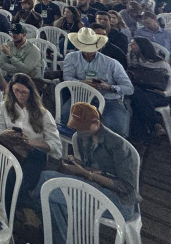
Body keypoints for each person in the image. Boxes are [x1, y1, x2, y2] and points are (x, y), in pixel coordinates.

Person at [33, 103, 139, 244]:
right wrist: (76, 164)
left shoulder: (118, 146)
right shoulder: (81, 137)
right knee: (45, 178)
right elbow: (89, 167)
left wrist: (86, 173)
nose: (80, 131)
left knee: (50, 192)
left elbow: (126, 187)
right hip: (93, 187)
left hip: (119, 201)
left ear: (96, 123)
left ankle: (55, 235)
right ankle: (60, 237)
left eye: (84, 127)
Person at [0, 74, 61, 206]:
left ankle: (13, 207)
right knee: (11, 169)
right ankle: (16, 207)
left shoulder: (43, 113)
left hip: (34, 152)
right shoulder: (4, 107)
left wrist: (29, 142)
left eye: (24, 92)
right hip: (12, 149)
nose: (20, 95)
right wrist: (7, 133)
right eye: (16, 91)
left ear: (31, 93)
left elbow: (56, 145)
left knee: (20, 171)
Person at [61, 27, 134, 136]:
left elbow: (129, 88)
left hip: (108, 100)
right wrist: (82, 83)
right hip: (81, 98)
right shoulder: (71, 57)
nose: (88, 51)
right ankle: (76, 144)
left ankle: (111, 149)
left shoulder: (111, 63)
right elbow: (67, 76)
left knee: (116, 127)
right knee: (66, 117)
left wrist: (109, 87)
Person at [127, 37, 171, 140]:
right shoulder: (132, 59)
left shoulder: (162, 63)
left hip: (158, 93)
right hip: (141, 91)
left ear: (142, 47)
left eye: (133, 44)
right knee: (137, 94)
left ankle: (138, 137)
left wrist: (165, 93)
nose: (130, 46)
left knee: (137, 101)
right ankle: (155, 124)